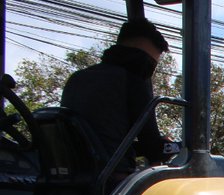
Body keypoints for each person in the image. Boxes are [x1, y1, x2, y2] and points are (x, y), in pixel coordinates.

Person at [60, 18, 176, 180]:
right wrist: (172, 146)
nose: (148, 71)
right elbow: (152, 147)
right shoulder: (131, 80)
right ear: (138, 53)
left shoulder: (77, 78)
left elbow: (99, 141)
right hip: (112, 181)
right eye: (150, 64)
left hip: (74, 179)